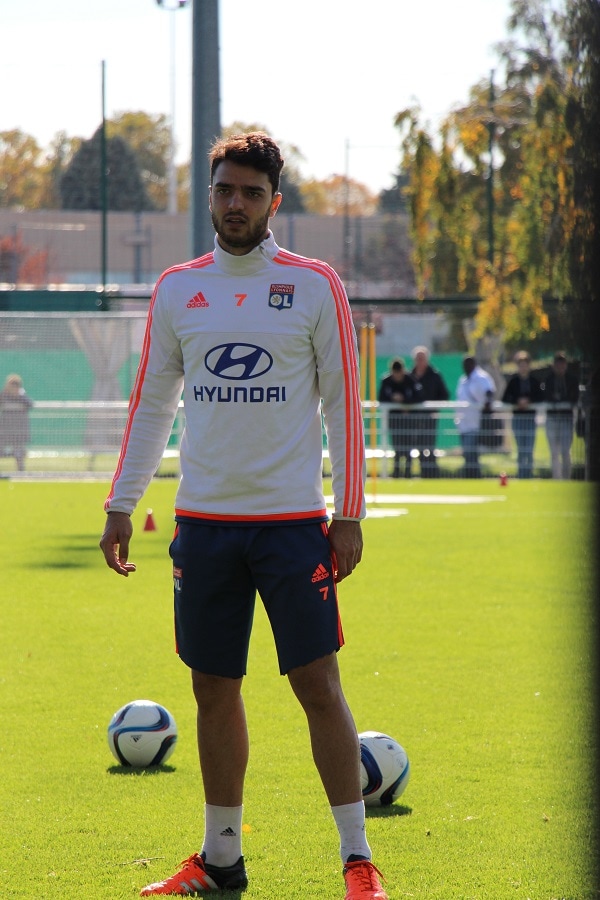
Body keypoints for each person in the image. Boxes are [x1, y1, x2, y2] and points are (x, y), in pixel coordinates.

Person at [99, 133, 388, 900]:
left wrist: (348, 514)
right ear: (213, 196)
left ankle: (358, 862)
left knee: (318, 685)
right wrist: (122, 502)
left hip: (294, 526)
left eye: (250, 193)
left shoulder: (314, 284)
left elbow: (343, 407)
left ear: (273, 202)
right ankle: (221, 858)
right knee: (211, 687)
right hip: (204, 525)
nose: (235, 204)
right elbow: (153, 401)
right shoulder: (176, 290)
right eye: (225, 190)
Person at [501, 351, 543, 479]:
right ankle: (521, 475)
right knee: (520, 449)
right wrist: (517, 402)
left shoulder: (534, 381)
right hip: (518, 418)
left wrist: (528, 401)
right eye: (521, 365)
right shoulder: (513, 381)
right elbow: (505, 398)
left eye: (525, 365)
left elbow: (540, 397)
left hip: (530, 419)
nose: (523, 367)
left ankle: (529, 474)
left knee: (529, 448)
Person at [409, 346, 449, 477]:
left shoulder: (435, 375)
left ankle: (431, 474)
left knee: (429, 446)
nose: (420, 361)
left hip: (430, 418)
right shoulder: (410, 376)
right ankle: (420, 472)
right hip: (414, 419)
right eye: (417, 358)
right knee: (417, 446)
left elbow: (444, 395)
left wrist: (435, 408)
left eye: (422, 358)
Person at [541, 351, 579, 479]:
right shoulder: (548, 379)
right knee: (554, 452)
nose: (560, 368)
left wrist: (562, 400)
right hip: (552, 419)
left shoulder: (572, 379)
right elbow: (546, 396)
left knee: (565, 451)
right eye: (558, 365)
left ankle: (567, 478)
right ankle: (556, 479)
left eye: (562, 365)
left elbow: (574, 397)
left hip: (566, 419)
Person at [455, 356, 495, 478]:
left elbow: (489, 391)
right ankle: (470, 477)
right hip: (463, 422)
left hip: (475, 422)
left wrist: (488, 402)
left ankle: (474, 477)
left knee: (471, 453)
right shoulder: (463, 379)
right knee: (467, 454)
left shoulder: (481, 377)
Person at [378, 357, 415, 477]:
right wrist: (393, 398)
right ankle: (397, 473)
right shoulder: (386, 381)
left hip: (409, 421)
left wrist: (404, 400)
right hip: (394, 421)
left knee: (408, 447)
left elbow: (418, 395)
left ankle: (408, 473)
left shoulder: (410, 380)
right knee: (397, 447)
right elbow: (381, 398)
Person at [0, 373, 32, 471]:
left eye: (15, 384)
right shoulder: (4, 395)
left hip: (18, 430)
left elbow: (30, 404)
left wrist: (20, 395)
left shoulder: (22, 396)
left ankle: (21, 472)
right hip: (5, 429)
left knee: (19, 452)